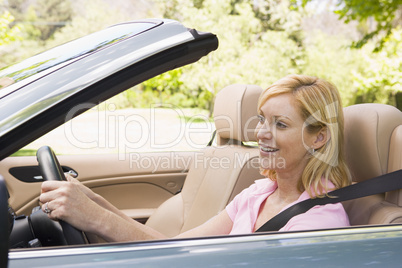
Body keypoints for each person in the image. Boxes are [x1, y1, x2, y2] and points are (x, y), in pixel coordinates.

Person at [40, 74, 351, 242]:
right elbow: (180, 247)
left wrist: (96, 218)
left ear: (319, 137)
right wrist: (93, 202)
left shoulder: (318, 223)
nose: (261, 133)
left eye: (280, 125)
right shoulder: (258, 194)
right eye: (261, 119)